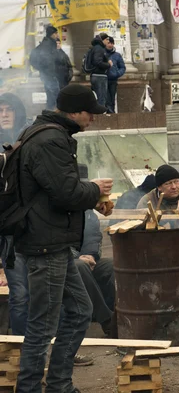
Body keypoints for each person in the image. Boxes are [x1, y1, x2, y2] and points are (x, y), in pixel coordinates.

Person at [14, 84, 113, 393]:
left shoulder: (44, 133)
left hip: (53, 242)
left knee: (81, 310)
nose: (93, 119)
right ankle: (31, 389)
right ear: (73, 112)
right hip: (46, 244)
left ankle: (59, 385)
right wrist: (95, 189)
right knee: (42, 326)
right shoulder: (50, 140)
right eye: (90, 113)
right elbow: (65, 193)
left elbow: (53, 190)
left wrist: (90, 197)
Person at [74, 164, 115, 340]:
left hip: (84, 257)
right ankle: (107, 320)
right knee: (80, 267)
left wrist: (90, 254)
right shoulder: (60, 207)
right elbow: (53, 240)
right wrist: (77, 257)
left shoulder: (87, 209)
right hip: (61, 259)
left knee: (110, 266)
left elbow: (92, 234)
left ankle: (116, 313)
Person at [0, 93, 29, 337]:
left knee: (47, 296)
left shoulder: (28, 140)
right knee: (20, 295)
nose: (5, 114)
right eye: (1, 110)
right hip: (8, 234)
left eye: (9, 109)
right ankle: (21, 352)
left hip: (34, 228)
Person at [35, 25, 61, 110]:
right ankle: (55, 114)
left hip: (47, 75)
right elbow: (48, 60)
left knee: (51, 97)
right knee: (56, 97)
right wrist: (51, 73)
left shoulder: (47, 43)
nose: (57, 35)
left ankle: (49, 113)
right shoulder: (48, 44)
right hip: (49, 75)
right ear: (52, 34)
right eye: (56, 33)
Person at [88, 33, 112, 107]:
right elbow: (97, 62)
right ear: (102, 40)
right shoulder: (99, 48)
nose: (108, 41)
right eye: (107, 39)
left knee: (99, 97)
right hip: (99, 76)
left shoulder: (96, 47)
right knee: (101, 98)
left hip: (96, 75)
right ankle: (100, 116)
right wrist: (109, 64)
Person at [105, 37, 126, 114]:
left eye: (111, 43)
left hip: (113, 80)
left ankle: (111, 113)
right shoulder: (102, 54)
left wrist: (117, 74)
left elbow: (122, 67)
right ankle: (110, 112)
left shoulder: (117, 55)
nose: (110, 45)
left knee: (112, 98)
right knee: (107, 99)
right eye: (108, 43)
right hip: (104, 79)